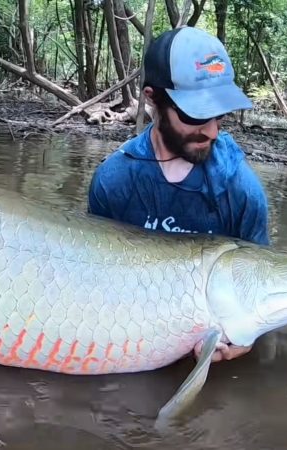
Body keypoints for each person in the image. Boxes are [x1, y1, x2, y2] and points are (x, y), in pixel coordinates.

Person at [87, 27, 270, 362]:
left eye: (219, 114)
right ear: (152, 98)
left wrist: (247, 337)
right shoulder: (114, 182)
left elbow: (257, 290)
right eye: (195, 114)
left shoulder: (241, 191)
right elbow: (96, 282)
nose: (212, 131)